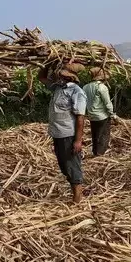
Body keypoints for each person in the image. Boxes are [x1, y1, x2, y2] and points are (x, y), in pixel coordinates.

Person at [38, 63, 87, 203]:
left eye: (62, 73)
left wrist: (78, 140)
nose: (59, 74)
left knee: (72, 165)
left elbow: (80, 117)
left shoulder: (77, 92)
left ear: (69, 76)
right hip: (57, 133)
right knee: (64, 165)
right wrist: (47, 63)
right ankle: (75, 193)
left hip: (69, 134)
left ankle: (77, 197)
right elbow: (41, 77)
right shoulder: (58, 88)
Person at [83, 67, 117, 156]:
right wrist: (113, 115)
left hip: (91, 116)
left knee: (95, 135)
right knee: (103, 136)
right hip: (102, 116)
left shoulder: (85, 87)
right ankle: (100, 154)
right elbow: (107, 103)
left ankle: (95, 152)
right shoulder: (101, 87)